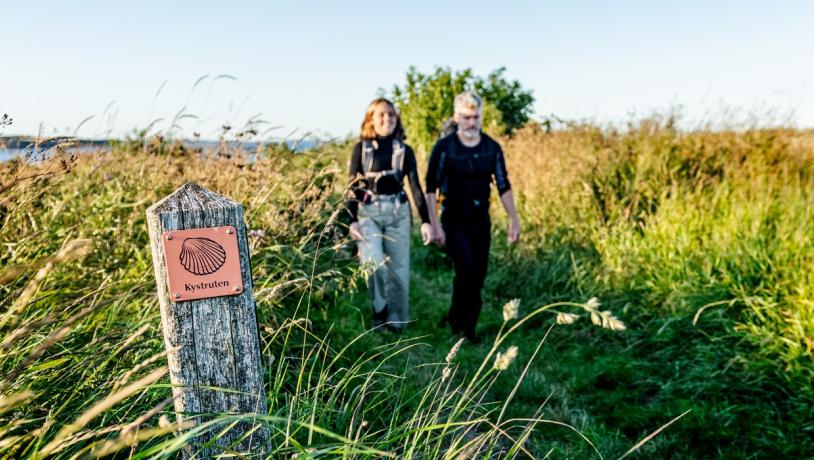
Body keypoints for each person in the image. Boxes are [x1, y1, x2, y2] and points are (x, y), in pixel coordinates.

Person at [424, 91, 521, 342]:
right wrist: (435, 226)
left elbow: (503, 184)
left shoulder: (491, 147)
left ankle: (469, 326)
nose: (471, 122)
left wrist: (514, 219)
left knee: (477, 274)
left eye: (475, 117)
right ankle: (459, 325)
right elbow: (430, 187)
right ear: (457, 117)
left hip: (480, 218)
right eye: (466, 117)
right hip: (453, 218)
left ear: (481, 117)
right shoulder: (445, 148)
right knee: (466, 269)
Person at [348, 98, 434, 332]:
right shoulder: (361, 149)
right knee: (373, 263)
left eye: (392, 115)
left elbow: (415, 186)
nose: (387, 119)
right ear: (371, 119)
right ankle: (379, 311)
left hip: (398, 212)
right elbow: (352, 186)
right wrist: (352, 220)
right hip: (369, 213)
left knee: (398, 268)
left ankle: (396, 322)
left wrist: (426, 221)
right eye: (381, 115)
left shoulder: (404, 150)